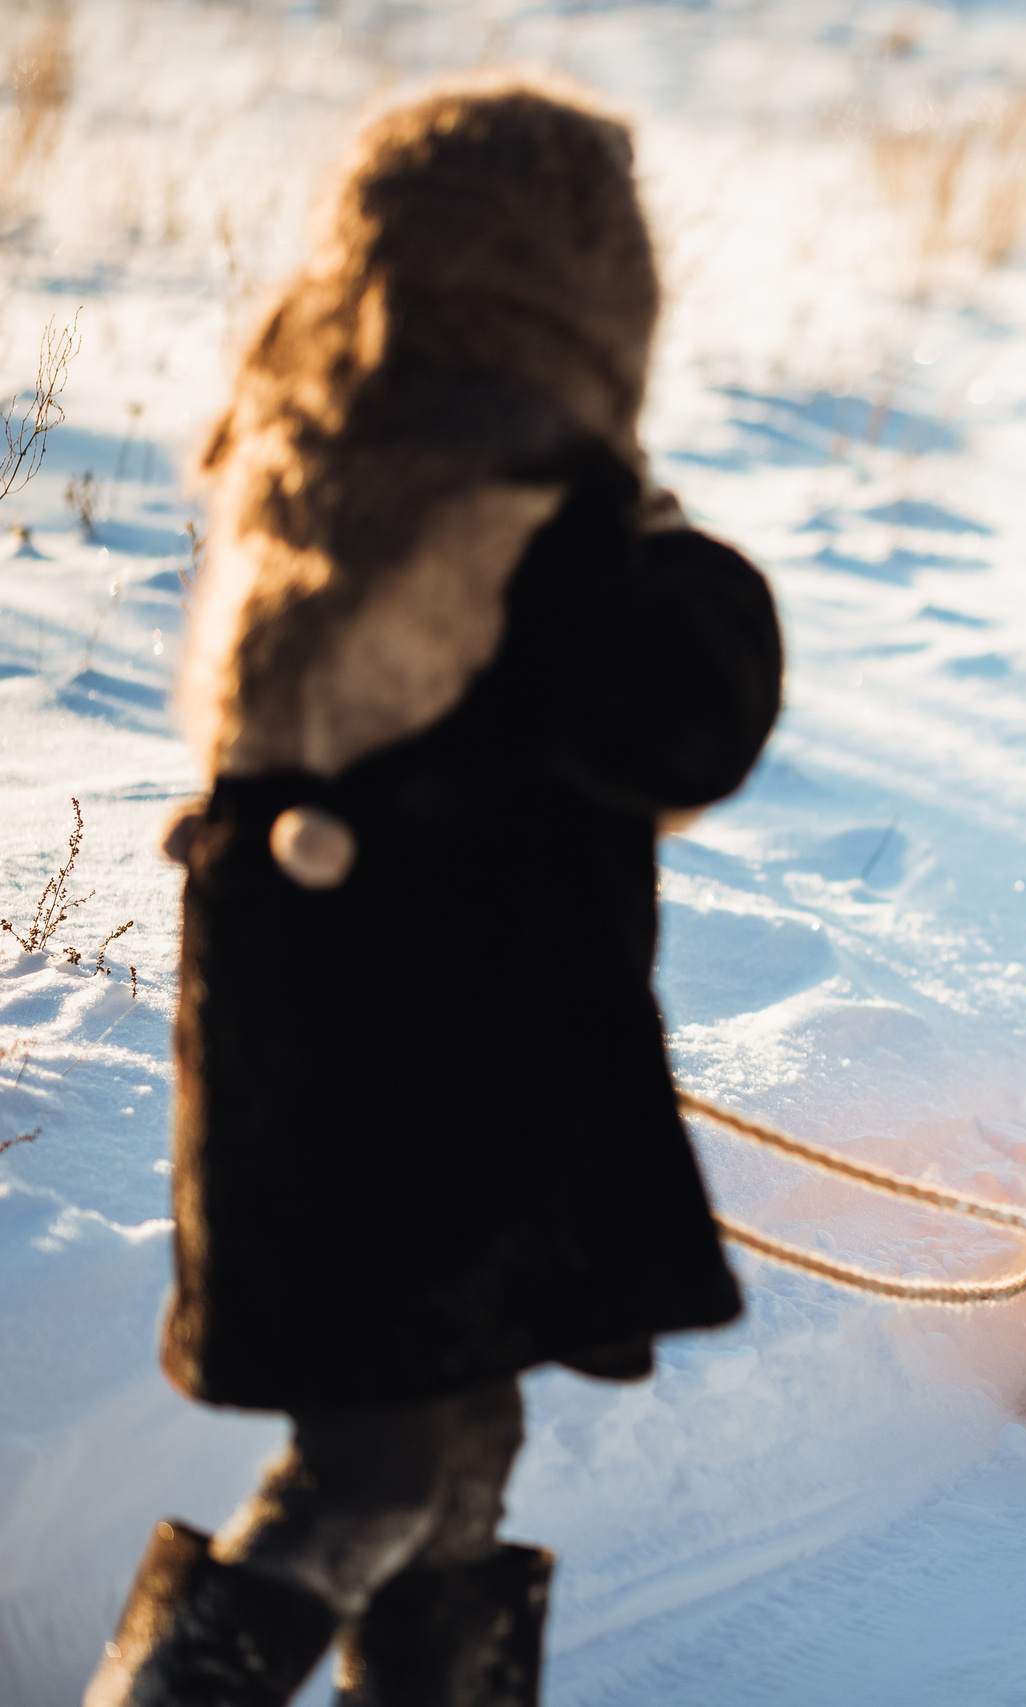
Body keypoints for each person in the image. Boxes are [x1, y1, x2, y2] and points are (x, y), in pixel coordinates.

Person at [86, 78, 782, 1707]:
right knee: (378, 1470)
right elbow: (692, 708)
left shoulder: (319, 465)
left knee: (453, 1459)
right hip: (427, 1108)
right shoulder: (527, 498)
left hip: (313, 1098)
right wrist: (664, 534)